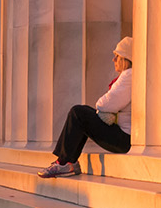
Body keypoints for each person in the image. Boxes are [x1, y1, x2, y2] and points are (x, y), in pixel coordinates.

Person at [39, 37, 134, 179]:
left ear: (126, 58)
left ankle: (65, 162)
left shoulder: (129, 75)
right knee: (82, 117)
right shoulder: (129, 76)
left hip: (124, 139)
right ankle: (68, 161)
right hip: (124, 137)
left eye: (117, 56)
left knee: (79, 114)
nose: (113, 60)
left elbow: (104, 104)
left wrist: (104, 109)